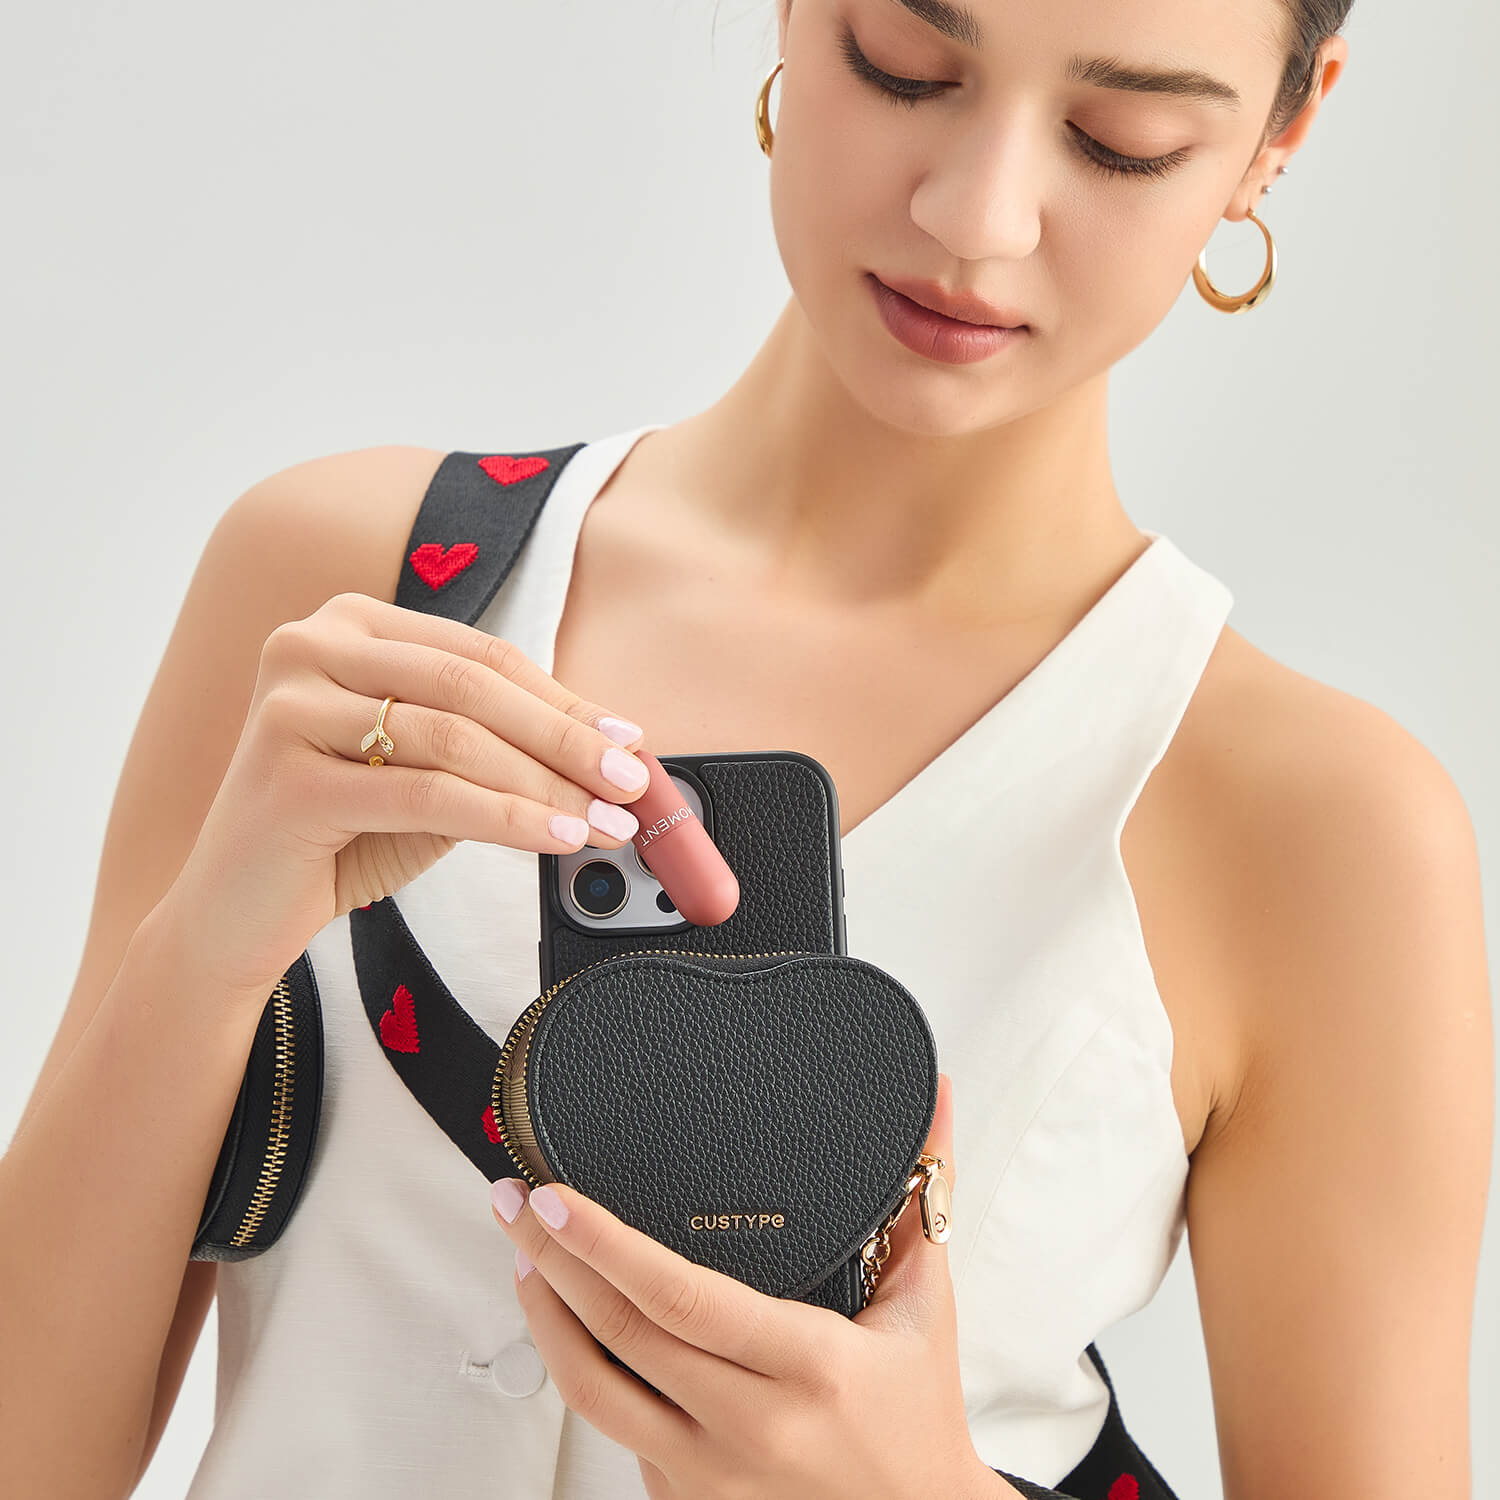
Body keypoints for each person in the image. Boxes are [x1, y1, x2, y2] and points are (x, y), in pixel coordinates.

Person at [1, 0, 1489, 1496]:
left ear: (1279, 133)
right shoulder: (356, 594)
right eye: (905, 65)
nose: (976, 218)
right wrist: (203, 955)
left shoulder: (1320, 830)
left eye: (1124, 140)